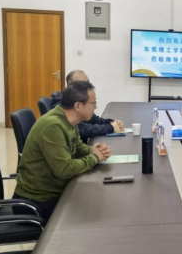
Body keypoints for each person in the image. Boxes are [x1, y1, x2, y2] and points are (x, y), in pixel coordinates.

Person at [14, 81, 112, 221]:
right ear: (78, 106)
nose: (95, 107)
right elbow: (65, 169)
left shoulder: (69, 121)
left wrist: (93, 150)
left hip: (54, 192)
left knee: (97, 202)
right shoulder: (53, 126)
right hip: (37, 201)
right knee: (93, 214)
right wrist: (95, 157)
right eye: (93, 103)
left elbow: (77, 147)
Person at [51, 70, 124, 143]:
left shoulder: (82, 101)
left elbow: (93, 120)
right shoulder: (63, 104)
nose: (88, 87)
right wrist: (110, 127)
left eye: (88, 83)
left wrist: (112, 122)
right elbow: (82, 130)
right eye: (83, 84)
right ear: (72, 87)